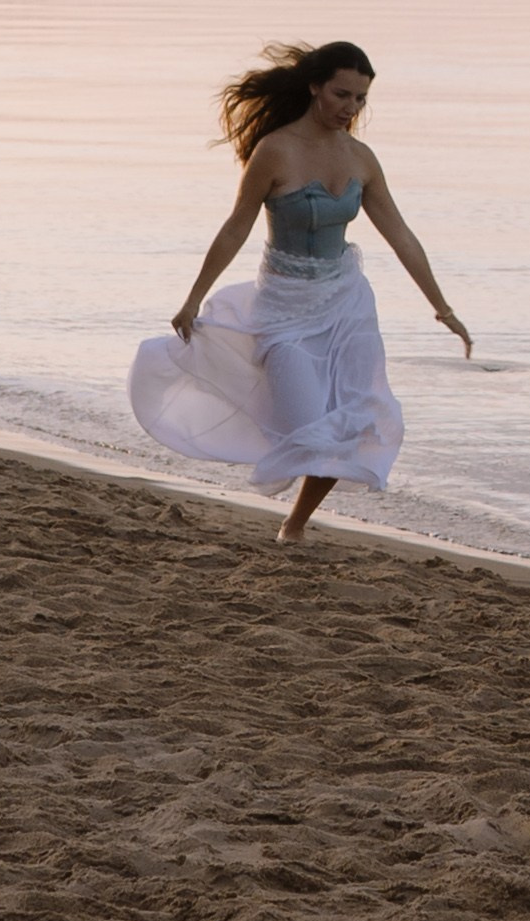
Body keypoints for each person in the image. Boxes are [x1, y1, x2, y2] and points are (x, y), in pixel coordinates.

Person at [129, 39, 471, 544]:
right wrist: (194, 296)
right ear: (314, 87)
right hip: (283, 309)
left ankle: (294, 525)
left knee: (350, 422)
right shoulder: (275, 150)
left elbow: (400, 234)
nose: (350, 109)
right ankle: (281, 490)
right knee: (305, 423)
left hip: (346, 304)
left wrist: (442, 308)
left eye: (360, 99)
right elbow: (235, 227)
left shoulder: (362, 158)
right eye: (341, 94)